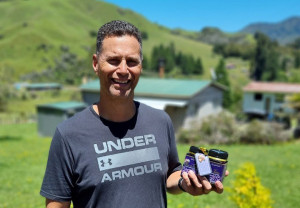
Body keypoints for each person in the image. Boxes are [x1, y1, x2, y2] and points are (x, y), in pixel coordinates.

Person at [40, 20, 228, 208]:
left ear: (140, 66)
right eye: (113, 60)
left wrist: (185, 182)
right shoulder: (69, 134)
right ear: (96, 64)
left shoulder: (160, 121)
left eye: (131, 61)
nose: (123, 70)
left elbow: (170, 173)